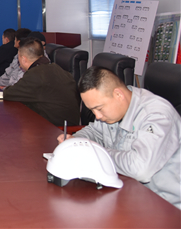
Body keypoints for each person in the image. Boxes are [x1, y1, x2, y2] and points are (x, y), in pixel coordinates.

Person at [58, 66, 181, 209]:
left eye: (99, 108)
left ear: (118, 95)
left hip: (166, 207)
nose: (97, 116)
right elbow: (93, 131)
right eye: (92, 110)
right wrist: (74, 142)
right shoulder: (112, 111)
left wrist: (95, 153)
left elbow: (140, 169)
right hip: (129, 195)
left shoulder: (157, 115)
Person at [3, 37, 80, 126]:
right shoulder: (57, 69)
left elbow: (8, 94)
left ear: (24, 59)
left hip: (56, 129)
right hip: (65, 125)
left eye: (18, 58)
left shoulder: (35, 74)